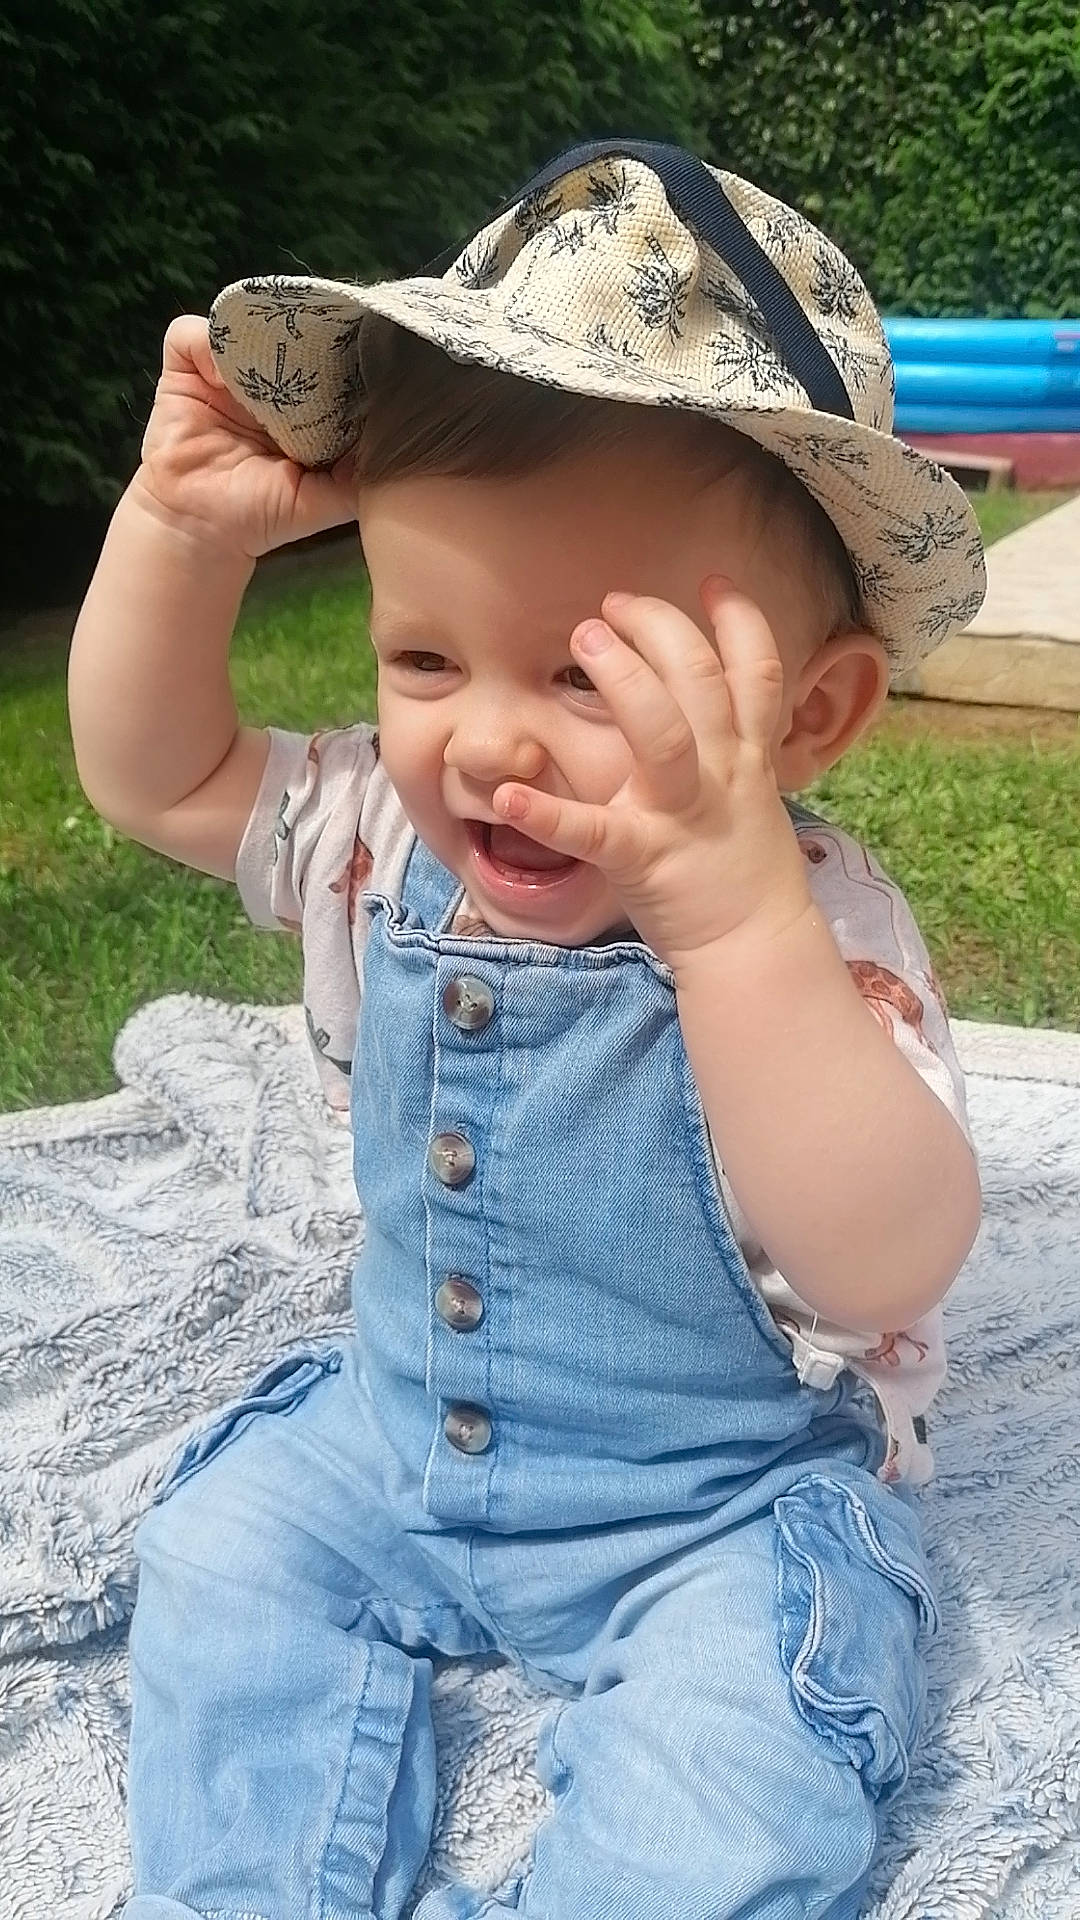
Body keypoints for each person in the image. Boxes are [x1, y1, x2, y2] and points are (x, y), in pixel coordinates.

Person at [67, 138, 985, 1920]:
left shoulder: (814, 933)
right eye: (424, 661)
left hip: (709, 1514)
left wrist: (726, 922)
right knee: (223, 1552)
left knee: (746, 1760)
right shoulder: (378, 843)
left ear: (807, 714)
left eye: (589, 677)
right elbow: (151, 770)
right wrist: (178, 531)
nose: (489, 744)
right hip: (398, 1445)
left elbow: (889, 1256)